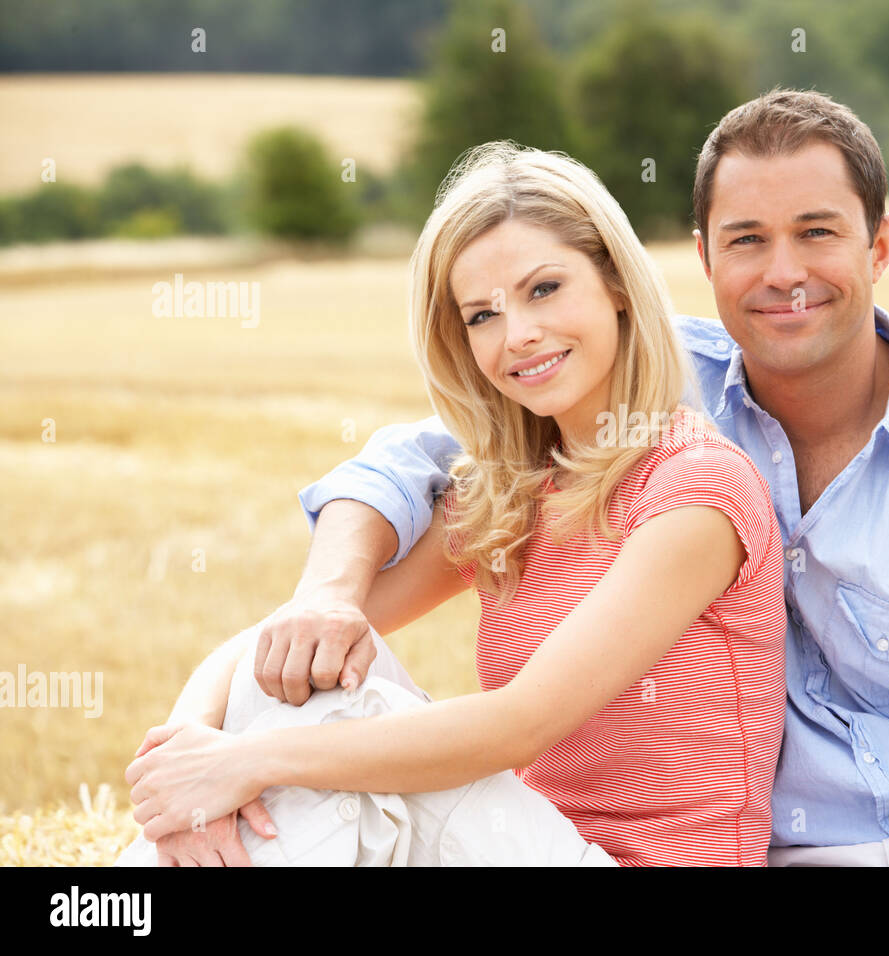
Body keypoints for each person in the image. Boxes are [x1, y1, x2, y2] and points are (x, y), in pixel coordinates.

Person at [267, 88, 889, 867]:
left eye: (817, 234)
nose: (783, 274)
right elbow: (419, 459)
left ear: (880, 245)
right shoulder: (645, 380)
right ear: (702, 258)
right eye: (747, 240)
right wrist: (329, 595)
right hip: (796, 848)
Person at [118, 142, 788, 867]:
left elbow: (517, 727)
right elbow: (277, 645)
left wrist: (249, 764)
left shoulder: (697, 488)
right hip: (515, 848)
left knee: (340, 709)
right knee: (318, 661)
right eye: (481, 316)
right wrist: (184, 763)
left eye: (544, 289)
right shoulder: (511, 491)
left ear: (616, 285)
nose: (518, 335)